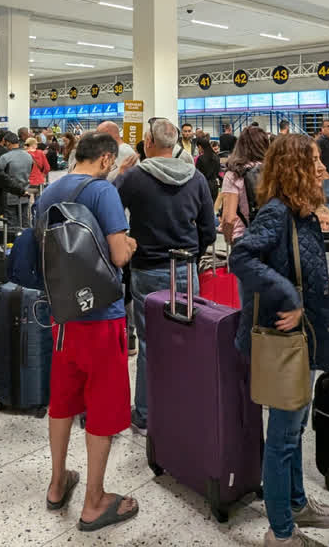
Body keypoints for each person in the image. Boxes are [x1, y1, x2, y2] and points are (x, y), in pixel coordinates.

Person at [228, 133, 329, 545]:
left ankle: (296, 502)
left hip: (303, 339)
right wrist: (288, 295)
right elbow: (242, 256)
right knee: (284, 437)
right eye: (314, 160)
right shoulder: (277, 214)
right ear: (296, 168)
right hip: (284, 342)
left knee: (296, 428)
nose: (323, 167)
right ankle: (281, 532)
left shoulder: (301, 213)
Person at [37, 133, 140, 532]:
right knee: (103, 404)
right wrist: (128, 244)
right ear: (105, 160)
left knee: (62, 400)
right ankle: (95, 501)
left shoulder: (49, 191)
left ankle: (57, 481)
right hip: (101, 316)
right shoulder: (102, 192)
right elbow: (118, 255)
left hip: (62, 316)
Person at [114, 119, 216, 434]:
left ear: (148, 142)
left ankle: (145, 415)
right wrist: (192, 252)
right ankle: (186, 407)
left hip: (148, 268)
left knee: (149, 343)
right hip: (185, 268)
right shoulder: (196, 179)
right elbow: (208, 228)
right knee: (188, 338)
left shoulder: (132, 178)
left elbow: (109, 212)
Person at [220, 125, 270, 246]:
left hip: (243, 236)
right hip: (270, 235)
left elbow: (229, 218)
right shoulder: (272, 170)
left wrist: (228, 239)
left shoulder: (234, 173)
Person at [0, 132, 33, 225]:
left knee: (11, 225)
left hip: (9, 196)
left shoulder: (5, 158)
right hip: (25, 193)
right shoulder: (28, 156)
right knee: (25, 221)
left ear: (8, 143)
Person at [194, 133, 221, 203]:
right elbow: (218, 171)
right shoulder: (216, 157)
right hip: (214, 185)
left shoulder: (200, 158)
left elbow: (197, 174)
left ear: (200, 147)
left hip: (204, 185)